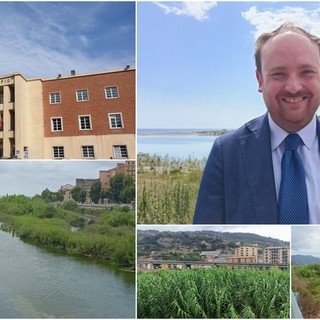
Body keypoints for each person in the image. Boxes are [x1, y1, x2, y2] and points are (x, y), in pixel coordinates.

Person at [193, 22, 320, 224]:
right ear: (260, 80)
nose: (294, 87)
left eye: (307, 72)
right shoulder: (226, 153)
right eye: (279, 74)